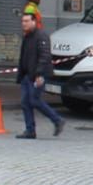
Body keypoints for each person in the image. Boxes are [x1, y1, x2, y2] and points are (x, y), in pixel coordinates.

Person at [15, 10, 64, 140]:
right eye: (22, 21)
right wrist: (21, 74)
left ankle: (57, 120)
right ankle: (30, 130)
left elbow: (44, 56)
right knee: (25, 102)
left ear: (34, 22)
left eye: (26, 21)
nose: (24, 23)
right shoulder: (27, 36)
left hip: (37, 75)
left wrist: (39, 74)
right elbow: (24, 57)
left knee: (34, 100)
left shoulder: (41, 36)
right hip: (27, 75)